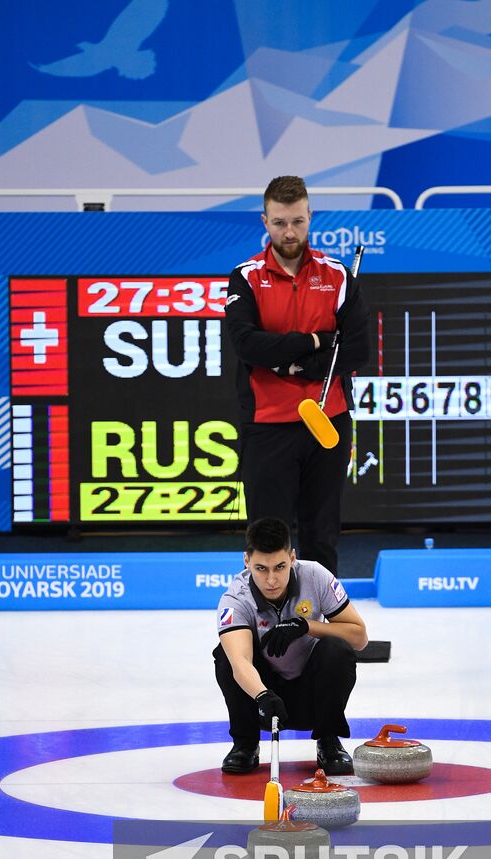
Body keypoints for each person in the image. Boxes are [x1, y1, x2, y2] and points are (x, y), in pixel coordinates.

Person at [224, 175, 370, 576]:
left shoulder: (337, 275)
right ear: (264, 221)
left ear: (310, 217)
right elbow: (246, 345)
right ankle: (269, 629)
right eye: (279, 222)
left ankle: (322, 629)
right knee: (268, 538)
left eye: (297, 222)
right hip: (268, 425)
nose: (289, 232)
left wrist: (296, 364)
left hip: (327, 421)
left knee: (321, 535)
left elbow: (358, 350)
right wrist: (315, 341)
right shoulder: (246, 276)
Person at [214, 516, 368, 775]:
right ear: (246, 561)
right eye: (261, 568)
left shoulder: (316, 576)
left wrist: (307, 626)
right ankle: (245, 745)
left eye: (280, 567)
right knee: (224, 655)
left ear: (293, 558)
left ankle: (328, 740)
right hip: (263, 700)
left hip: (312, 695)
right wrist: (262, 695)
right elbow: (239, 661)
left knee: (337, 649)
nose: (271, 579)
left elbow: (359, 638)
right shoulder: (235, 599)